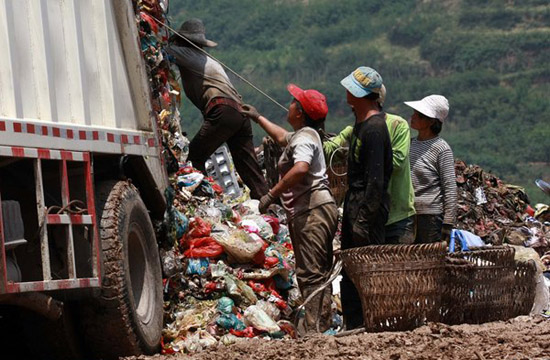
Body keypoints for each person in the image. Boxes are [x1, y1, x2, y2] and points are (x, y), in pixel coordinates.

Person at [241, 84, 338, 333]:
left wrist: (272, 194)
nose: (290, 103)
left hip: (312, 210)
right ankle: (323, 323)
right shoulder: (304, 134)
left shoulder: (305, 138)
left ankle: (314, 329)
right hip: (319, 207)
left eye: (294, 102)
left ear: (300, 113)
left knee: (310, 271)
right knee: (320, 268)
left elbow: (301, 167)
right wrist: (258, 117)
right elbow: (282, 137)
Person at [166, 18, 268, 199]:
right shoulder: (207, 60)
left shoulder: (187, 54)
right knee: (247, 164)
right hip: (240, 113)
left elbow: (164, 50)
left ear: (183, 41)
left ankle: (204, 198)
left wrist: (169, 40)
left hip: (224, 111)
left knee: (194, 156)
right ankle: (267, 201)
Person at [324, 84, 416, 244]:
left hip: (396, 214)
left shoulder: (396, 125)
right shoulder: (355, 130)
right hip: (367, 213)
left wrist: (363, 158)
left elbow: (397, 162)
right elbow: (330, 150)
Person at [338, 66, 393, 330]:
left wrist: (363, 221)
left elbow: (376, 181)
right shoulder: (361, 125)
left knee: (367, 270)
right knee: (350, 270)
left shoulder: (374, 129)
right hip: (355, 205)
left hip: (366, 210)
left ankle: (369, 323)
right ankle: (353, 323)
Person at [405, 95, 457, 243]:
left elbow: (450, 187)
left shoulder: (441, 149)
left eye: (418, 115)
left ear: (431, 121)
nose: (412, 117)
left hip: (430, 216)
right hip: (408, 213)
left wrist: (448, 222)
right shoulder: (409, 144)